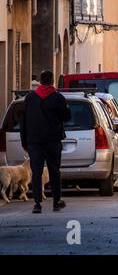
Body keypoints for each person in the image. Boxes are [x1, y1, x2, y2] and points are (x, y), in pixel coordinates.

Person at [20, 70, 71, 213]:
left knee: (36, 173)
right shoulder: (58, 98)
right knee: (54, 171)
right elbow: (66, 117)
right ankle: (56, 201)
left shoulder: (30, 98)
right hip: (52, 140)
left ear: (41, 81)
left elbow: (23, 121)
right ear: (52, 81)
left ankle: (37, 203)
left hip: (34, 142)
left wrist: (24, 141)